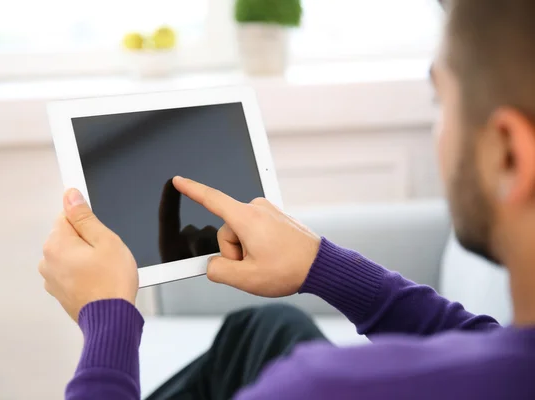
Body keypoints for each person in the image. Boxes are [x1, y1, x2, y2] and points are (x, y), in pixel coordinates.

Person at [38, 0, 535, 398]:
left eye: (440, 101)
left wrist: (106, 319)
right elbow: (485, 344)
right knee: (267, 328)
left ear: (509, 154)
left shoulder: (318, 385)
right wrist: (323, 265)